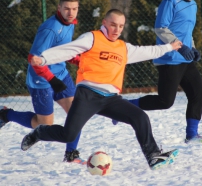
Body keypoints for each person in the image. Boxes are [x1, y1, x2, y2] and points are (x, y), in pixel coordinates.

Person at [21, 9, 182, 170]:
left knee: (140, 117)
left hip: (111, 99)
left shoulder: (123, 48)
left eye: (120, 26)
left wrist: (169, 47)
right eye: (113, 25)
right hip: (87, 95)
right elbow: (68, 49)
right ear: (104, 23)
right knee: (68, 135)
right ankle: (40, 132)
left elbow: (147, 51)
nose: (116, 30)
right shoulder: (92, 38)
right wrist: (43, 59)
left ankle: (153, 156)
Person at [113, 0, 202, 144]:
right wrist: (179, 48)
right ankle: (123, 109)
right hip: (170, 59)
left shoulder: (193, 4)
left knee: (198, 93)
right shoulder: (170, 2)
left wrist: (193, 48)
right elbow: (161, 28)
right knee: (165, 101)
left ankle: (192, 135)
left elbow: (187, 31)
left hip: (185, 59)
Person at [0, 0, 86, 164]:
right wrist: (52, 81)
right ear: (59, 8)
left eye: (74, 9)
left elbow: (61, 50)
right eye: (67, 8)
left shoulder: (70, 23)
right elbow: (34, 59)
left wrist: (80, 61)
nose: (71, 12)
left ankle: (71, 154)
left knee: (77, 113)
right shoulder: (50, 28)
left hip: (60, 73)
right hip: (41, 79)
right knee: (43, 124)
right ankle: (5, 115)